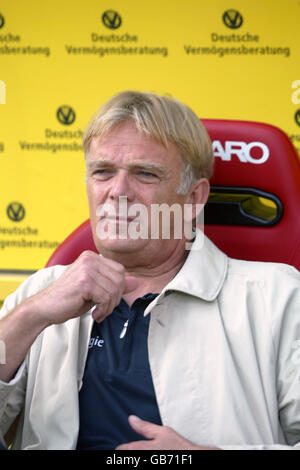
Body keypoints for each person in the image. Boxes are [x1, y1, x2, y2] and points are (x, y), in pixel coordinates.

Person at [0, 91, 300, 451]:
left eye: (144, 174)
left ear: (193, 199)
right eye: (103, 172)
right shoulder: (41, 292)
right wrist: (29, 316)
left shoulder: (278, 298)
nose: (118, 192)